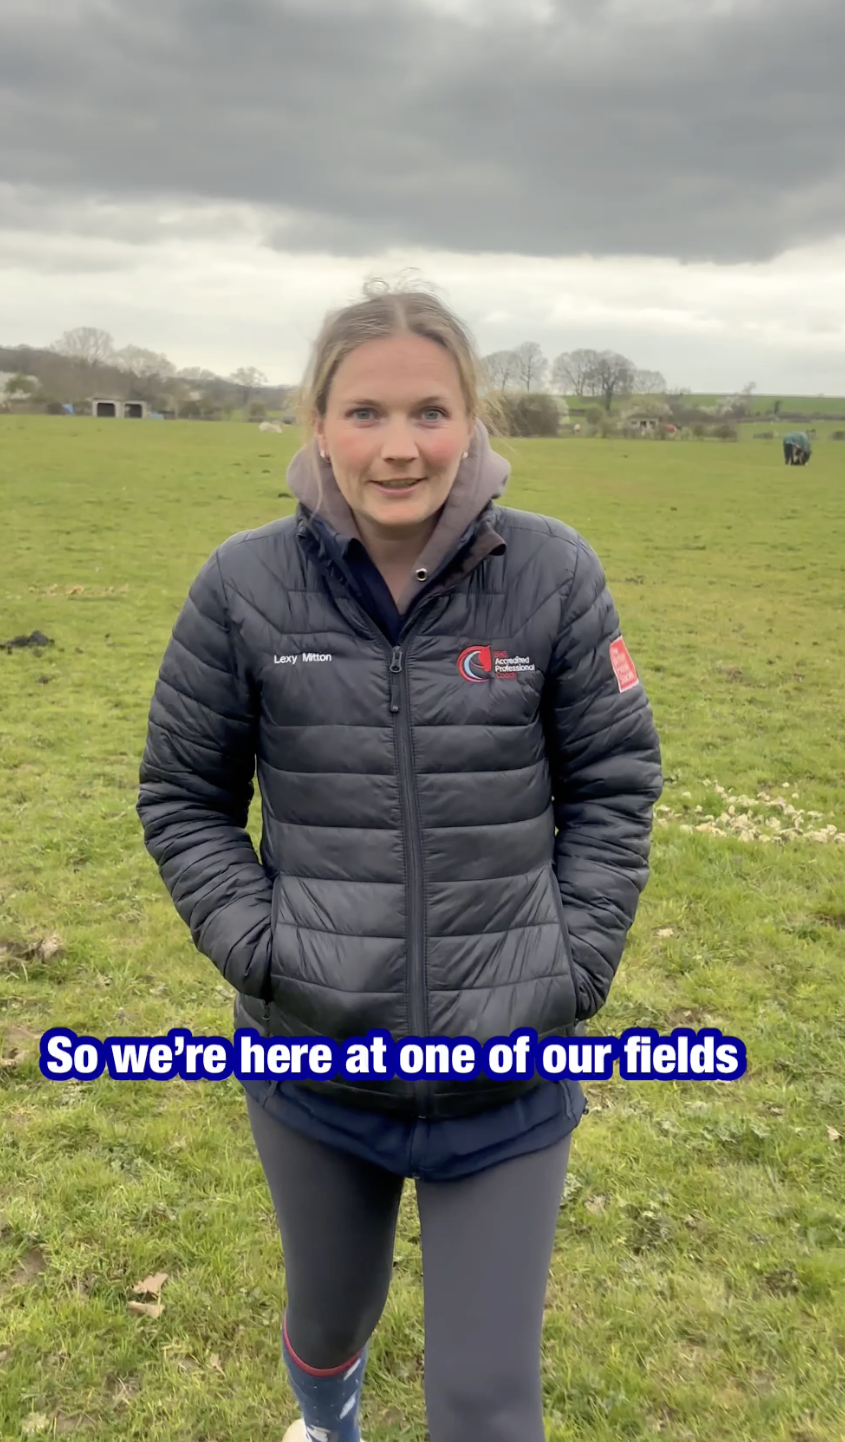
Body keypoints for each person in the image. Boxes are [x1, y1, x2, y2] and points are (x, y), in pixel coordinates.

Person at [137, 280, 663, 1442]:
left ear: (472, 420)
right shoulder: (241, 587)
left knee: (484, 1401)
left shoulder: (552, 575)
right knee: (330, 1320)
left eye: (429, 411)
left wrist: (566, 965)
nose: (397, 447)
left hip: (506, 1070)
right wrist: (265, 950)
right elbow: (183, 795)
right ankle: (328, 1419)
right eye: (364, 412)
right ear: (317, 421)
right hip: (314, 1061)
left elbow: (615, 786)